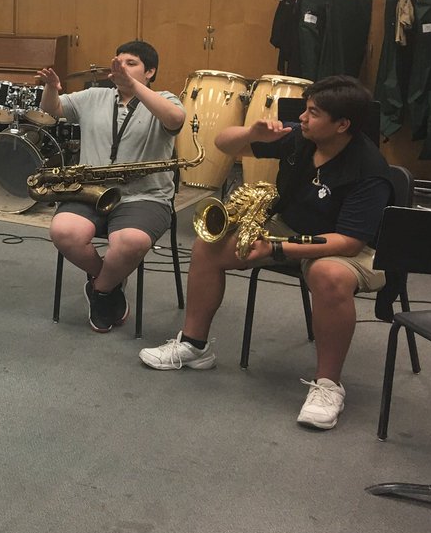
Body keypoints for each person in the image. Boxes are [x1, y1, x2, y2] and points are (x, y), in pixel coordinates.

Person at [139, 75, 393, 431]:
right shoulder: (300, 137)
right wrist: (251, 134)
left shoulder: (369, 170)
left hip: (355, 246)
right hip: (291, 227)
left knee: (328, 275)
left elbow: (349, 241)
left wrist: (275, 248)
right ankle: (194, 347)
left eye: (313, 113)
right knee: (208, 246)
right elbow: (223, 144)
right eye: (305, 110)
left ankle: (328, 386)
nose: (301, 118)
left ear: (342, 125)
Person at [38, 40, 185, 332]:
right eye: (118, 63)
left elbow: (175, 119)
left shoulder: (165, 99)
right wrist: (52, 87)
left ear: (150, 72)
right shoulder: (95, 96)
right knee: (63, 231)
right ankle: (111, 281)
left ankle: (101, 289)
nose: (122, 68)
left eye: (132, 64)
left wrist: (133, 86)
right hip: (90, 192)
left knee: (130, 242)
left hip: (145, 196)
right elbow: (51, 109)